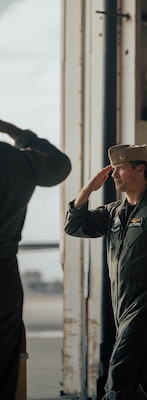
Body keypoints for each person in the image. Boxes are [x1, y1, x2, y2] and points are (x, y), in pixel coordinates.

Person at [64, 144, 147, 400]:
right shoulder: (113, 212)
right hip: (122, 306)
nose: (114, 175)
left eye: (120, 169)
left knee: (119, 375)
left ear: (140, 169)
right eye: (113, 170)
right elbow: (75, 226)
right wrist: (87, 190)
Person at [0, 119, 71, 399]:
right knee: (6, 362)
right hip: (3, 277)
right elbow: (60, 165)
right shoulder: (17, 159)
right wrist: (12, 131)